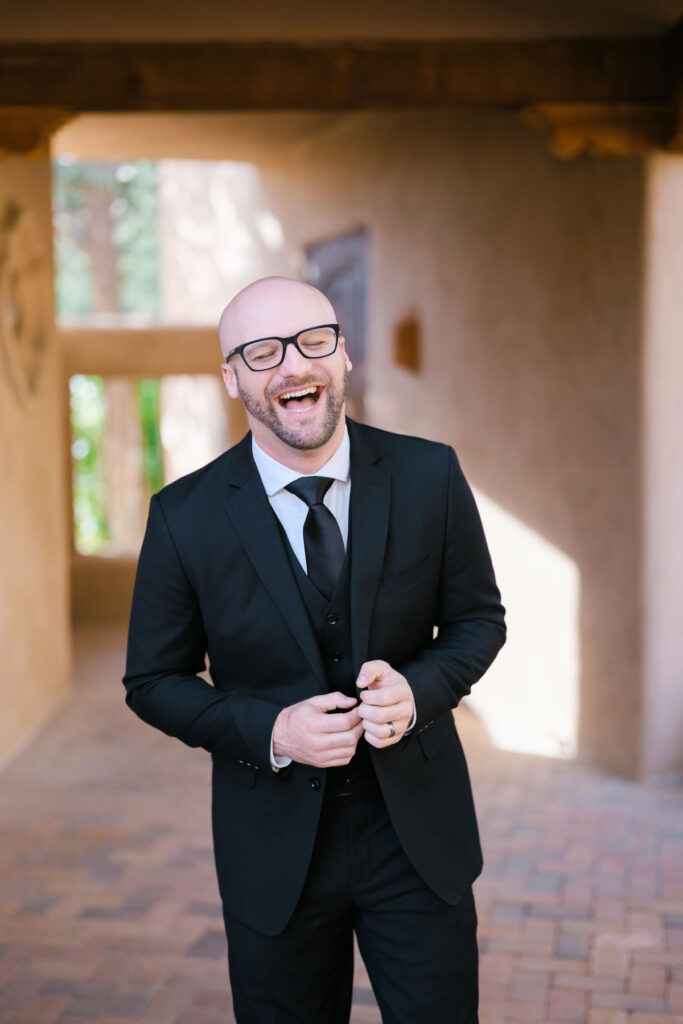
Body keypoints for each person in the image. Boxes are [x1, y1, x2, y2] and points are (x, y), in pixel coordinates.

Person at [123, 275, 506, 1024]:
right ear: (231, 377)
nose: (294, 366)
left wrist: (419, 690)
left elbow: (478, 621)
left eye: (312, 341)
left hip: (418, 843)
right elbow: (153, 679)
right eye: (263, 352)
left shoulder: (429, 475)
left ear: (343, 354)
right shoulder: (184, 517)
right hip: (273, 852)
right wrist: (272, 731)